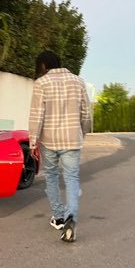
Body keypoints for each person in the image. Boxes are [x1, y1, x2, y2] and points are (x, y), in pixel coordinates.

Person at [28, 50, 91, 242]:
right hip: (72, 139)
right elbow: (86, 113)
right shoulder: (78, 81)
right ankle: (71, 217)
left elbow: (36, 115)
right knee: (71, 178)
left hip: (49, 140)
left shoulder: (41, 83)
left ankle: (58, 217)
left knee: (52, 176)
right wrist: (82, 132)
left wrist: (33, 142)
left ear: (43, 65)